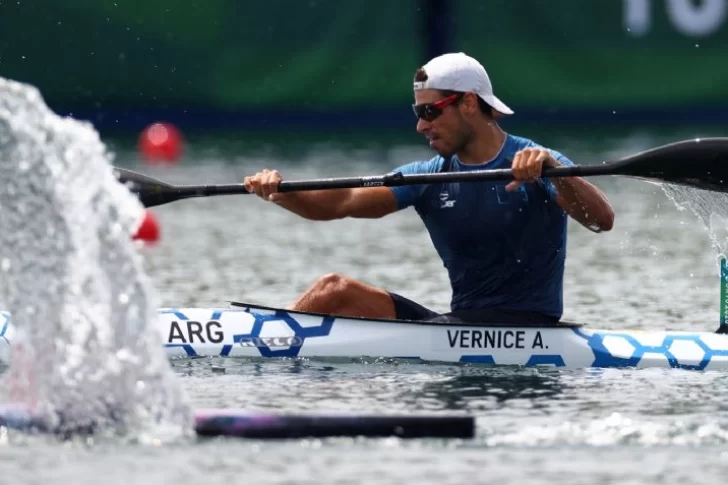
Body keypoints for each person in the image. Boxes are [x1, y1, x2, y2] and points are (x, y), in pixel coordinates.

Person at [243, 52, 615, 324]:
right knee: (332, 290)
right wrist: (281, 191)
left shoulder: (539, 160)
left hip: (531, 326)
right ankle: (265, 339)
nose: (422, 126)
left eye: (430, 111)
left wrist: (554, 173)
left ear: (469, 103)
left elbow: (602, 220)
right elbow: (340, 203)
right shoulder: (428, 176)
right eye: (418, 113)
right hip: (461, 325)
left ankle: (259, 341)